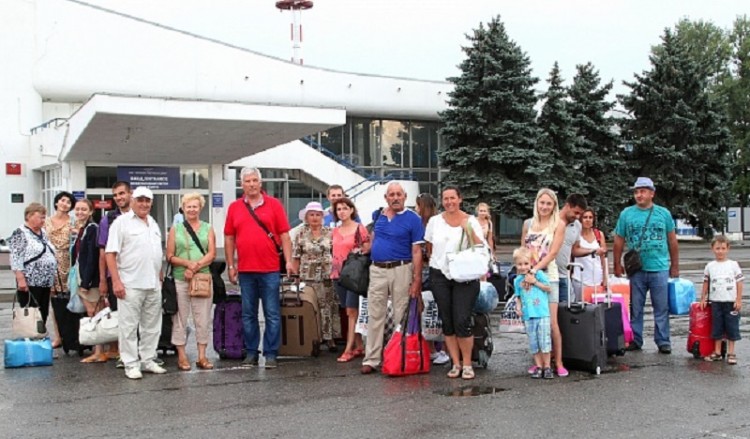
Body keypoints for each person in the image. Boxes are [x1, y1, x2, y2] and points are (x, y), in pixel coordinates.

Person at [225, 167, 292, 369]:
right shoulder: (235, 207)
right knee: (248, 314)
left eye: (255, 180)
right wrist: (230, 264)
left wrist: (288, 261)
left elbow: (284, 235)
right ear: (242, 184)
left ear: (260, 183)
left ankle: (271, 353)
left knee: (272, 313)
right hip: (245, 270)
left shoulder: (274, 205)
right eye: (247, 181)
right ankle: (252, 353)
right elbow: (229, 237)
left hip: (270, 268)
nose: (252, 184)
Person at [360, 182, 424, 375]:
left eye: (399, 194)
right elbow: (373, 239)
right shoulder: (377, 215)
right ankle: (371, 359)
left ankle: (400, 355)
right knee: (375, 315)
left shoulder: (413, 219)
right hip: (377, 270)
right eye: (391, 195)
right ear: (386, 198)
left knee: (400, 315)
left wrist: (417, 279)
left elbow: (417, 251)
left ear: (405, 197)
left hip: (401, 269)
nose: (395, 198)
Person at [521, 189, 586, 378]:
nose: (545, 207)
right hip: (529, 278)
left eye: (549, 204)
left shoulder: (558, 224)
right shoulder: (529, 224)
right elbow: (524, 252)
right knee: (533, 321)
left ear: (555, 205)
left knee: (551, 323)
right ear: (536, 203)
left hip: (549, 276)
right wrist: (524, 274)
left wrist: (534, 270)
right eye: (542, 203)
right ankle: (540, 362)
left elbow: (552, 253)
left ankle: (558, 362)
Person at [105, 186, 167, 379]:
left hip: (153, 283)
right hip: (130, 283)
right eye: (140, 200)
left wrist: (160, 273)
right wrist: (116, 281)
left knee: (152, 326)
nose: (144, 204)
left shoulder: (153, 223)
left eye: (147, 200)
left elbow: (155, 252)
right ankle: (130, 363)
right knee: (129, 326)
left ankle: (147, 360)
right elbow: (110, 253)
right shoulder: (121, 223)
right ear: (132, 201)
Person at [613, 177, 679, 354]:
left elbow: (672, 240)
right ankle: (635, 339)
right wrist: (616, 264)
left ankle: (663, 340)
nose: (638, 195)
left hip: (659, 268)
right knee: (636, 307)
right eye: (636, 192)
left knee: (661, 308)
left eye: (642, 191)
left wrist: (675, 265)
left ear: (652, 193)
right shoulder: (626, 214)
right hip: (637, 270)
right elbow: (619, 239)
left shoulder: (663, 214)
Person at [424, 186, 484, 380]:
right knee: (447, 321)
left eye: (452, 198)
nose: (449, 202)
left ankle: (467, 364)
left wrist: (467, 229)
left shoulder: (471, 220)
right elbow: (429, 246)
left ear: (460, 199)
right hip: (440, 275)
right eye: (445, 198)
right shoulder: (435, 221)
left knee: (462, 320)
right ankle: (455, 363)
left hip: (464, 276)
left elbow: (480, 246)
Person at [166, 193, 216, 371]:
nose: (192, 209)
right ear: (183, 208)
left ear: (200, 208)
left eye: (195, 206)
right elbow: (169, 255)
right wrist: (187, 264)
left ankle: (202, 356)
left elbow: (211, 253)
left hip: (202, 278)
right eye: (188, 206)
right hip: (180, 279)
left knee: (202, 318)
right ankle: (182, 356)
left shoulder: (208, 228)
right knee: (180, 318)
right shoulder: (175, 229)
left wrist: (195, 267)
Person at [292, 201, 340, 352]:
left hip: (327, 276)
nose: (314, 218)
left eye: (317, 215)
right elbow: (296, 256)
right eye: (311, 215)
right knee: (311, 307)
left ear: (322, 217)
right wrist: (295, 276)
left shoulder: (330, 232)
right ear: (306, 217)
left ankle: (329, 337)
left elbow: (336, 253)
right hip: (308, 277)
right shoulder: (300, 233)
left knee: (328, 307)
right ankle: (314, 337)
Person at [330, 197, 369, 363]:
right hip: (337, 275)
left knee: (351, 312)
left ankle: (348, 349)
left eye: (345, 208)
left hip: (353, 275)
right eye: (339, 209)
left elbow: (367, 249)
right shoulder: (334, 231)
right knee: (347, 310)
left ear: (351, 210)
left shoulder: (359, 229)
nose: (342, 212)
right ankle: (359, 345)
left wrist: (358, 251)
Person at [98, 181, 132, 365]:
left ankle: (136, 352)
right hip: (115, 276)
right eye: (116, 195)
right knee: (119, 315)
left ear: (130, 194)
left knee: (138, 316)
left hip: (137, 275)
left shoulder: (141, 216)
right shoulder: (108, 219)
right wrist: (103, 279)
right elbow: (103, 251)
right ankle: (122, 353)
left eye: (122, 193)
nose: (119, 198)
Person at [9, 203, 57, 327]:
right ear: (29, 216)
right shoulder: (20, 233)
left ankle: (39, 339)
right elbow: (16, 257)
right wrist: (21, 280)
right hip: (30, 281)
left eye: (44, 217)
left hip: (45, 281)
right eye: (41, 217)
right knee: (31, 314)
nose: (43, 220)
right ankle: (30, 341)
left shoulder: (42, 232)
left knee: (43, 313)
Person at [71, 199, 107, 363]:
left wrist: (85, 282)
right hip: (82, 279)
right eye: (77, 209)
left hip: (90, 282)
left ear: (91, 211)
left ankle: (99, 351)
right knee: (93, 314)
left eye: (84, 209)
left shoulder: (92, 229)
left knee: (95, 315)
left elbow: (92, 257)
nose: (80, 212)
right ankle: (97, 349)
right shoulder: (82, 229)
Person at [416, 192, 449, 366]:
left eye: (417, 205)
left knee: (427, 311)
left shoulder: (428, 225)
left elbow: (427, 251)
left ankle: (433, 349)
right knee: (436, 311)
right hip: (435, 271)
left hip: (428, 271)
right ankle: (441, 349)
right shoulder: (438, 222)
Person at [701, 235, 743, 364]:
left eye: (723, 248)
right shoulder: (710, 266)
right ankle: (717, 352)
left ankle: (731, 353)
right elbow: (706, 282)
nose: (720, 251)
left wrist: (738, 299)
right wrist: (703, 298)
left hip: (730, 302)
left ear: (728, 249)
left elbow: (739, 282)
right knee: (717, 327)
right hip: (716, 302)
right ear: (712, 248)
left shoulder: (733, 265)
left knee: (732, 327)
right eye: (717, 248)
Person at [513, 247, 554, 379]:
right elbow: (518, 296)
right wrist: (518, 307)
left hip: (542, 313)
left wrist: (535, 282)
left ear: (531, 263)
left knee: (544, 341)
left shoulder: (539, 274)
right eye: (520, 264)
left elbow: (548, 288)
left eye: (525, 263)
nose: (523, 267)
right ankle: (539, 366)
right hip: (528, 315)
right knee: (533, 342)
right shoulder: (517, 280)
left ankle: (547, 366)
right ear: (516, 265)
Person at [45, 191, 76, 349]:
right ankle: (58, 336)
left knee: (70, 299)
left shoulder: (73, 222)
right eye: (62, 200)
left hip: (67, 262)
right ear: (56, 202)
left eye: (68, 202)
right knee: (54, 301)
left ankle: (71, 335)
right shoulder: (47, 222)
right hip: (50, 263)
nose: (65, 204)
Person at [553, 194, 588, 304]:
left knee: (568, 312)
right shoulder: (552, 220)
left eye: (580, 214)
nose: (578, 217)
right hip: (548, 275)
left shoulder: (577, 225)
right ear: (567, 206)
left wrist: (593, 251)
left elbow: (575, 250)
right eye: (576, 212)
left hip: (564, 275)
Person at [571, 208, 608, 301]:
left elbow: (603, 258)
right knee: (581, 309)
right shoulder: (576, 234)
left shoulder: (599, 234)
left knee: (598, 310)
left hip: (597, 279)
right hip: (580, 278)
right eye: (585, 217)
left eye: (590, 217)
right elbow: (574, 251)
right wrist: (592, 251)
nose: (588, 220)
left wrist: (605, 277)